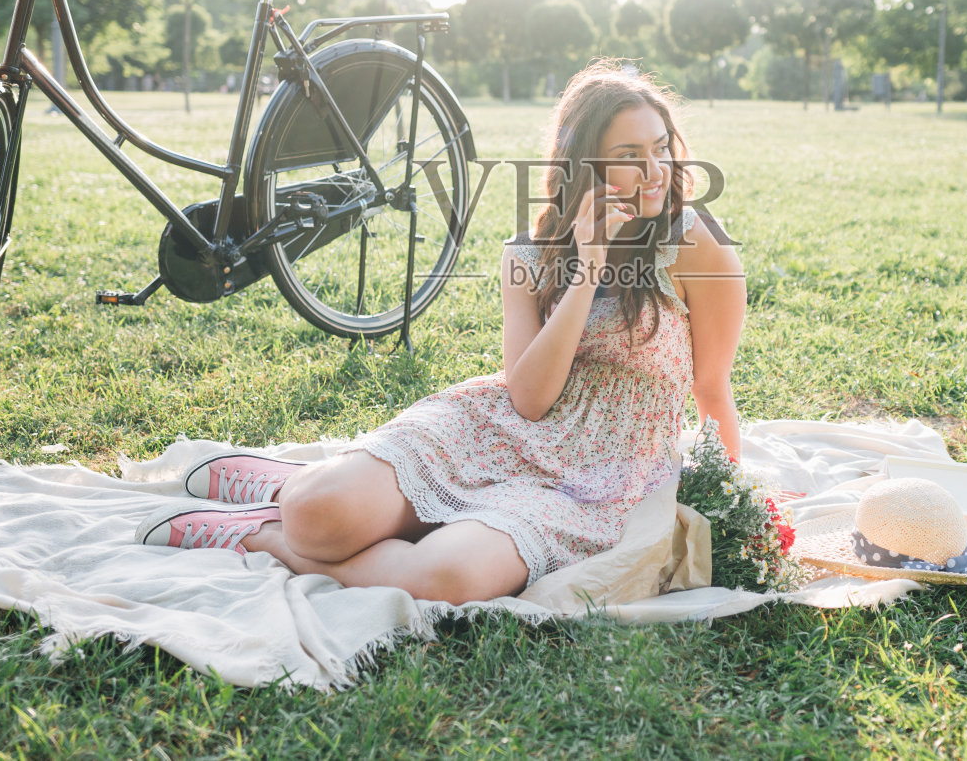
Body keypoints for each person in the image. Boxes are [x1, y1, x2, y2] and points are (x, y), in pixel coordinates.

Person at [134, 61, 746, 606]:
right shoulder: (530, 255)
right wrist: (587, 269)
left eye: (662, 149)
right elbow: (529, 399)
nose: (655, 171)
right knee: (317, 515)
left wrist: (731, 503)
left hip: (599, 480)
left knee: (446, 576)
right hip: (496, 429)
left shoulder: (696, 245)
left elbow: (712, 388)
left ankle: (262, 536)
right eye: (631, 155)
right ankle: (288, 488)